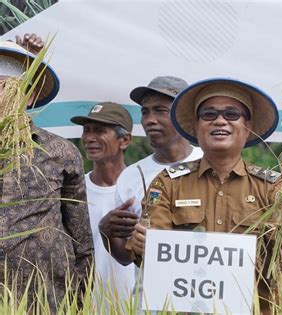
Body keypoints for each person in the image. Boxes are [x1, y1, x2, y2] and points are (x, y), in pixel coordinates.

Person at [127, 78, 282, 314]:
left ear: (247, 127)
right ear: (195, 127)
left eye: (231, 114)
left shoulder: (272, 187)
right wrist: (143, 244)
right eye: (208, 114)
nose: (219, 120)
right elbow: (149, 256)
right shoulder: (167, 183)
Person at [0, 39, 93, 309]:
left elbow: (81, 239)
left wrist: (80, 302)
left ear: (28, 96)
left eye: (8, 88)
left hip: (43, 298)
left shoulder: (60, 151)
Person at [98, 76, 203, 265]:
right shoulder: (131, 176)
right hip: (147, 294)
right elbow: (125, 258)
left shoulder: (209, 164)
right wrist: (106, 232)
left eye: (161, 111)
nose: (150, 120)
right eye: (145, 112)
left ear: (185, 115)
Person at [70, 102, 135, 307]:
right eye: (86, 131)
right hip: (83, 305)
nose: (89, 138)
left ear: (124, 140)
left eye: (99, 131)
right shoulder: (73, 191)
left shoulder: (143, 188)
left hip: (134, 305)